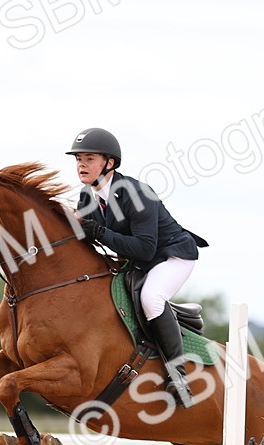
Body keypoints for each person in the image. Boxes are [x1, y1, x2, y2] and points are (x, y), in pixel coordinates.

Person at [68, 128, 207, 409]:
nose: (81, 165)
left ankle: (178, 377)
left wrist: (98, 232)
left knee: (151, 298)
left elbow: (145, 247)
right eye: (79, 159)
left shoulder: (135, 193)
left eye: (89, 159)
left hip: (172, 256)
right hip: (139, 260)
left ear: (110, 163)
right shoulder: (86, 197)